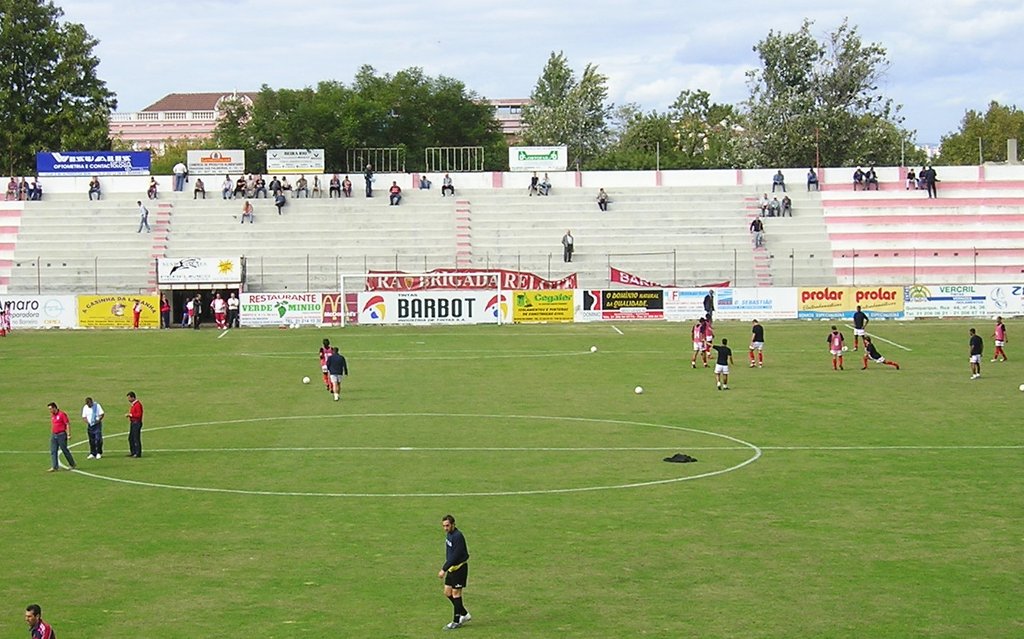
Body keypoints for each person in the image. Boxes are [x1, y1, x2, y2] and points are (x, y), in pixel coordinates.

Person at [438, 514, 471, 630]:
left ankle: (456, 621)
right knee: (447, 593)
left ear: (453, 524)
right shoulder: (449, 535)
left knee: (456, 594)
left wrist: (444, 569)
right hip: (452, 568)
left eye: (447, 525)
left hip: (459, 568)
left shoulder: (458, 536)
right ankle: (464, 614)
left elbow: (456, 555)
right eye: (444, 526)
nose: (445, 528)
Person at [47, 402, 76, 472]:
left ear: (54, 408)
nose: (50, 411)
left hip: (61, 435)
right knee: (53, 451)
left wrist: (69, 434)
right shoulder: (53, 415)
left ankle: (72, 464)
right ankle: (55, 466)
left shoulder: (62, 414)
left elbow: (67, 424)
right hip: (54, 435)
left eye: (50, 409)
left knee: (64, 449)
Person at [125, 391, 144, 457]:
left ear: (133, 397)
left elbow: (139, 415)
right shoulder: (134, 405)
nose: (128, 400)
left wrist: (130, 415)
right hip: (133, 423)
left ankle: (137, 453)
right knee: (131, 438)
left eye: (129, 398)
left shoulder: (137, 405)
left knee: (136, 438)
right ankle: (133, 452)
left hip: (136, 423)